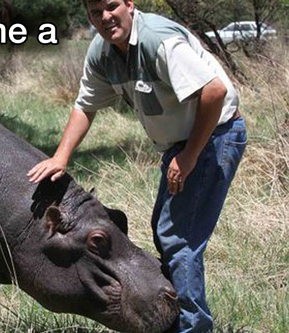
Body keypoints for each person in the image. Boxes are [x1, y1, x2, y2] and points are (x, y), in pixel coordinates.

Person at [27, 1, 247, 332]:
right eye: (94, 12)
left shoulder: (157, 40)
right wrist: (61, 156)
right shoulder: (102, 52)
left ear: (130, 4)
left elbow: (214, 93)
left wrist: (189, 156)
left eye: (111, 6)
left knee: (178, 239)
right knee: (167, 229)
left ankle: (191, 327)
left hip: (214, 135)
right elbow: (85, 106)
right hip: (180, 145)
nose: (104, 17)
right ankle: (174, 318)